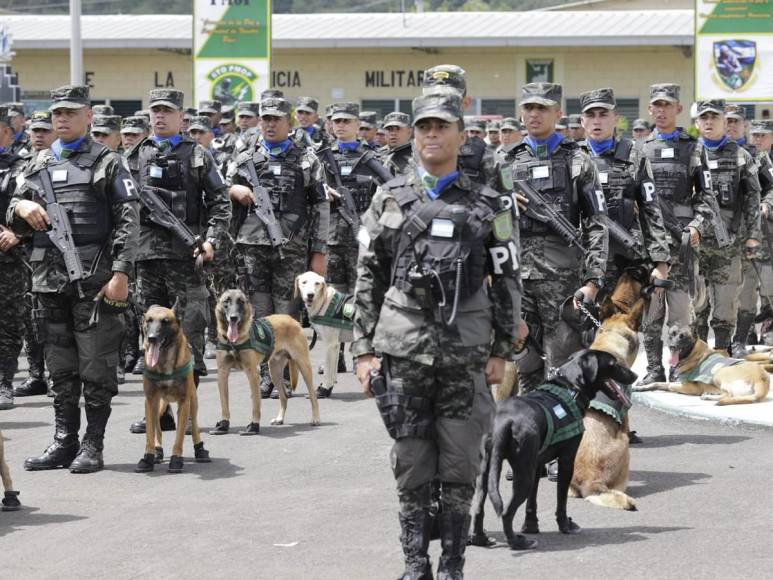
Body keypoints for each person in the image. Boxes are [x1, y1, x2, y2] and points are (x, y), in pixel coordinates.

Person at [353, 90, 521, 580]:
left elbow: (508, 276)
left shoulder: (488, 203)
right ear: (413, 136)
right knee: (410, 458)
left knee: (460, 458)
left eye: (442, 126)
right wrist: (363, 349)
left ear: (461, 136)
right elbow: (369, 275)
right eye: (424, 126)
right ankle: (414, 564)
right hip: (403, 349)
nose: (431, 134)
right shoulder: (388, 198)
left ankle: (452, 565)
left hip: (466, 351)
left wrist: (502, 349)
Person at [9, 85, 139, 472]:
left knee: (96, 364)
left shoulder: (108, 161)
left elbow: (129, 222)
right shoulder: (37, 162)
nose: (61, 119)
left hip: (94, 278)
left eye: (70, 112)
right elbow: (13, 213)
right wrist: (23, 205)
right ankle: (64, 440)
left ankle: (93, 444)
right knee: (60, 365)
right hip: (49, 279)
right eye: (56, 113)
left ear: (88, 117)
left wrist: (120, 273)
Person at [128, 89, 231, 434]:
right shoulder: (132, 156)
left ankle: (187, 409)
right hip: (146, 259)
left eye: (166, 111)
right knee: (151, 337)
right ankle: (158, 413)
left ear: (181, 116)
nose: (159, 117)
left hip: (186, 259)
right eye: (155, 111)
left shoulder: (198, 155)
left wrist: (212, 240)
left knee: (191, 331)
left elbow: (220, 202)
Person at [509, 82, 608, 393]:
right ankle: (530, 433)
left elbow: (597, 222)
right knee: (524, 362)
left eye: (543, 108)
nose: (534, 114)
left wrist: (593, 281)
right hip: (517, 278)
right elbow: (484, 220)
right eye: (529, 108)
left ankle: (566, 435)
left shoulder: (578, 160)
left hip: (563, 280)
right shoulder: (505, 162)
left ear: (558, 113)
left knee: (564, 365)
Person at [227, 96, 329, 398]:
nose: (270, 124)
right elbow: (219, 189)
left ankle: (283, 375)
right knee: (259, 312)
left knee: (286, 315)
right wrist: (235, 188)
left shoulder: (306, 159)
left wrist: (319, 251)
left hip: (291, 247)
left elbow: (321, 206)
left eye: (276, 119)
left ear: (290, 121)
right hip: (252, 245)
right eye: (265, 118)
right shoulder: (244, 156)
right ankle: (264, 376)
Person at [317, 102, 392, 389]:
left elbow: (390, 190)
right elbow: (310, 190)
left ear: (357, 124)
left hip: (364, 237)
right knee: (334, 297)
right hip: (333, 236)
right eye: (336, 121)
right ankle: (334, 356)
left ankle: (365, 349)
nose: (341, 126)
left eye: (347, 121)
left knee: (366, 295)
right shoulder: (323, 158)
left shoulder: (370, 158)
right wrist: (321, 189)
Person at [639, 83, 708, 384]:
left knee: (680, 313)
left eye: (668, 104)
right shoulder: (639, 149)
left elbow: (707, 198)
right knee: (652, 314)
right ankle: (654, 369)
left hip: (681, 244)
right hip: (652, 244)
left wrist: (696, 225)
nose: (661, 110)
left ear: (679, 109)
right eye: (657, 105)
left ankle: (679, 370)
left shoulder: (693, 147)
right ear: (650, 109)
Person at [579, 88, 671, 292]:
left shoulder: (634, 156)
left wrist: (660, 262)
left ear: (615, 119)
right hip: (582, 259)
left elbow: (651, 210)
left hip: (626, 258)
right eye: (590, 115)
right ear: (582, 121)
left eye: (603, 114)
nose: (597, 121)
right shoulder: (572, 158)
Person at [692, 99, 761, 353]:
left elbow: (752, 198)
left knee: (725, 300)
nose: (709, 122)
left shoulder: (741, 156)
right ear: (697, 122)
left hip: (729, 241)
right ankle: (697, 355)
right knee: (696, 303)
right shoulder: (689, 153)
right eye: (704, 118)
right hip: (696, 241)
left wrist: (753, 236)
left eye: (714, 117)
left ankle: (722, 351)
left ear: (724, 120)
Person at [12, 110, 53, 399]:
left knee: (54, 316)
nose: (39, 135)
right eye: (35, 130)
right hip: (25, 252)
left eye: (44, 130)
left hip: (56, 250)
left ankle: (59, 375)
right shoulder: (24, 165)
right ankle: (37, 374)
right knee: (31, 316)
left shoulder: (62, 162)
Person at [0, 106, 32, 409]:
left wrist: (18, 234)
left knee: (8, 321)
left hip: (9, 257)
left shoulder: (22, 167)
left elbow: (33, 203)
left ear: (8, 133)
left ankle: (4, 382)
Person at [421, 65, 496, 186]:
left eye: (449, 100)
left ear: (466, 103)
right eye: (432, 99)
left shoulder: (484, 155)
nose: (440, 105)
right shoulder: (407, 156)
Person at [381, 112, 414, 177]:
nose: (393, 133)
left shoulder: (416, 157)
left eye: (398, 129)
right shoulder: (378, 155)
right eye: (389, 129)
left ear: (409, 132)